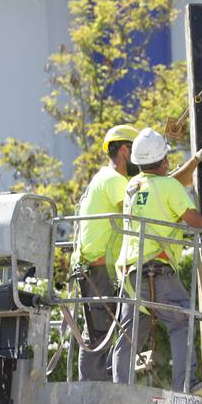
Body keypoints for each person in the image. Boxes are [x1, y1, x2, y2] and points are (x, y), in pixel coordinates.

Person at [111, 126, 202, 395]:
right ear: (165, 159)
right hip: (155, 270)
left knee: (129, 335)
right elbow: (194, 219)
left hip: (128, 274)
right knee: (182, 319)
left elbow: (167, 182)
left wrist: (194, 161)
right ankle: (185, 386)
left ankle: (118, 394)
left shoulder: (133, 187)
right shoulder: (168, 187)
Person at [72, 124, 138, 381]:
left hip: (96, 268)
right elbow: (136, 212)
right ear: (125, 150)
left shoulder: (103, 178)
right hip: (97, 269)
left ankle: (101, 385)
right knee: (99, 333)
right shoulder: (114, 180)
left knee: (106, 329)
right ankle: (89, 390)